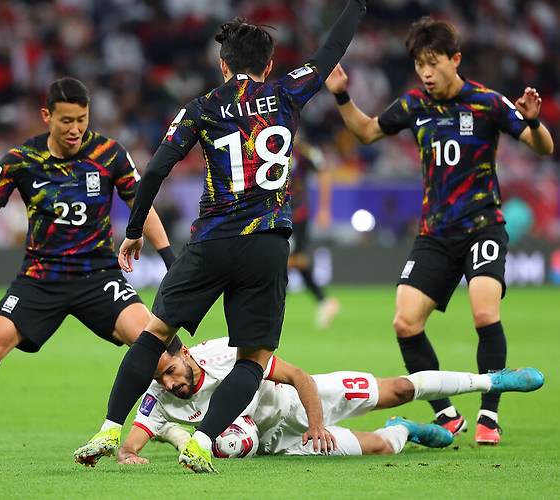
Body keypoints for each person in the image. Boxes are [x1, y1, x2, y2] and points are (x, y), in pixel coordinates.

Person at [110, 1, 367, 473]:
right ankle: (204, 442)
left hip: (212, 240)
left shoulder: (201, 107)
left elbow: (156, 170)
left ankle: (110, 429)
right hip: (268, 244)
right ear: (268, 65)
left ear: (222, 64)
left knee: (155, 334)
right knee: (254, 360)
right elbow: (332, 50)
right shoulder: (288, 90)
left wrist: (132, 231)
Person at [0, 77, 177, 458]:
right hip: (41, 277)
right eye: (66, 120)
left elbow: (142, 205)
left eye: (82, 120)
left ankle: (176, 425)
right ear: (47, 116)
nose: (75, 129)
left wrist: (171, 260)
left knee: (155, 347)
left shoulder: (109, 154)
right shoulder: (20, 160)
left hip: (98, 276)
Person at [324, 17, 554, 445]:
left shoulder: (487, 102)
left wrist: (536, 123)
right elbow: (368, 131)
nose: (426, 73)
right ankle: (446, 413)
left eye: (433, 63)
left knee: (484, 310)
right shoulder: (414, 105)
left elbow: (542, 146)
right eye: (419, 64)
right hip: (435, 233)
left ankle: (489, 414)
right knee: (404, 322)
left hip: (483, 225)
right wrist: (341, 96)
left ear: (455, 60)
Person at [112, 336, 543, 464]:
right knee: (377, 445)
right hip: (276, 442)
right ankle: (406, 430)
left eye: (170, 371)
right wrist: (128, 455)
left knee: (400, 389)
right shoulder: (161, 396)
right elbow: (133, 440)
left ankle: (491, 380)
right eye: (160, 379)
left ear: (185, 354)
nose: (169, 384)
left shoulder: (227, 354)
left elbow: (298, 376)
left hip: (299, 402)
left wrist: (317, 424)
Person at [288, 139, 340, 328]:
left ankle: (323, 300)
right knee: (296, 260)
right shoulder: (269, 143)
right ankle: (324, 301)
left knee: (292, 259)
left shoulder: (303, 151)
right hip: (275, 214)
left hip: (297, 215)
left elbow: (324, 172)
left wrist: (325, 209)